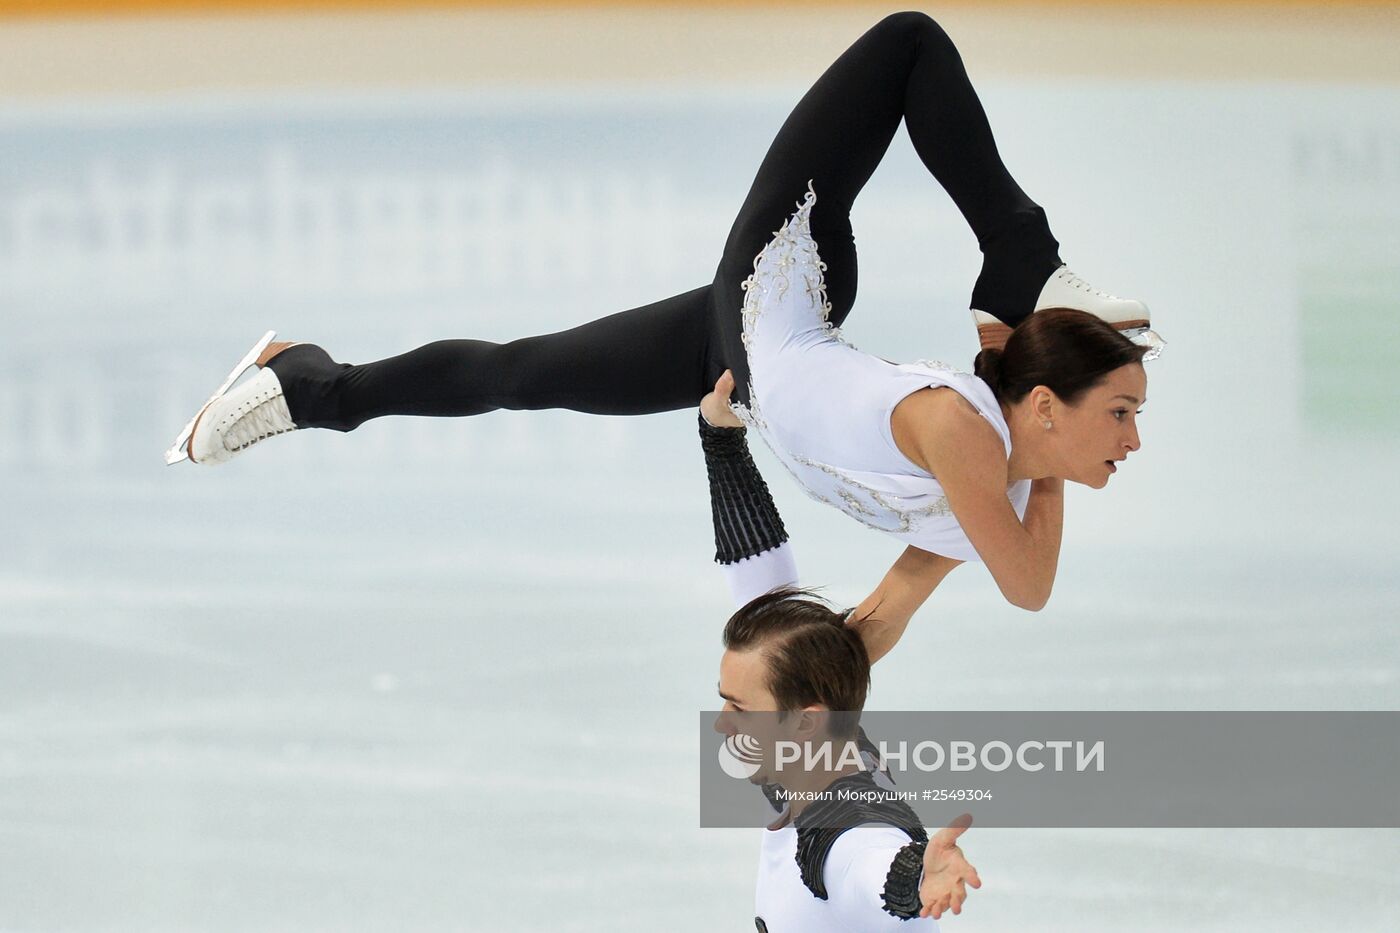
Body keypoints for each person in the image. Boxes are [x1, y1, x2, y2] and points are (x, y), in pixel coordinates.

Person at [167, 13, 1160, 657]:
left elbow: (876, 623)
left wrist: (800, 713)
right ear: (1037, 403)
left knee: (525, 374)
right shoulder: (959, 438)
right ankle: (1017, 255)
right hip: (777, 282)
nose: (1130, 440)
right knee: (907, 43)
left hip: (756, 361)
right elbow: (1027, 585)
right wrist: (1032, 409)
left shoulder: (981, 489)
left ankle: (311, 386)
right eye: (1118, 412)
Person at [699, 387, 979, 929]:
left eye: (738, 707)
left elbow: (874, 866)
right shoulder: (808, 754)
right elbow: (764, 592)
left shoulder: (846, 827)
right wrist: (722, 442)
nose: (721, 724)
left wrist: (916, 877)